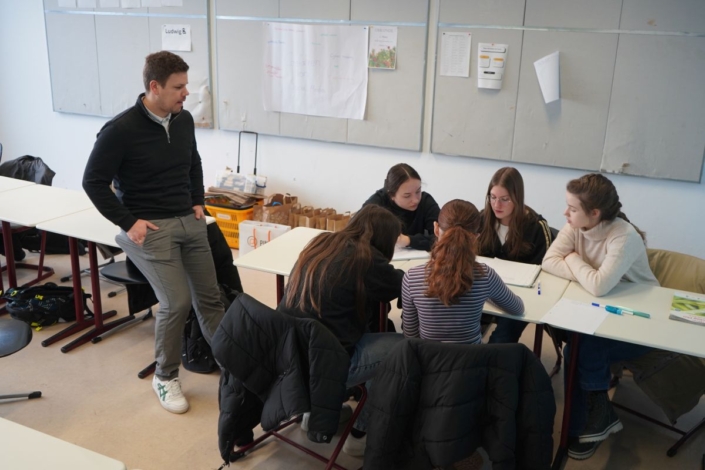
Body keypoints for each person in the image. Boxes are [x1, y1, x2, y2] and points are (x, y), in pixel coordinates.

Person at [83, 51, 224, 414]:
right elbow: (93, 182)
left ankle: (235, 366)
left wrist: (197, 200)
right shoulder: (120, 130)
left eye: (186, 85)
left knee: (210, 299)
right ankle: (165, 376)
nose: (186, 93)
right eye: (178, 87)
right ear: (155, 87)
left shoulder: (184, 119)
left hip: (189, 220)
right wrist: (128, 222)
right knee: (176, 302)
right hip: (151, 228)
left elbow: (193, 161)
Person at [542, 173, 659, 460]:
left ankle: (588, 422)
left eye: (572, 208)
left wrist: (572, 258)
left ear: (594, 213)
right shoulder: (576, 226)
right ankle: (587, 423)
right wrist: (588, 274)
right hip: (605, 312)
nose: (565, 213)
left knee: (581, 346)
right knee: (578, 345)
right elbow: (548, 261)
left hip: (642, 323)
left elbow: (598, 286)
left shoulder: (623, 235)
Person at [277, 204, 405, 457]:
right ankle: (360, 433)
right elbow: (404, 284)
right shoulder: (366, 258)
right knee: (404, 349)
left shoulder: (322, 243)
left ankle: (312, 414)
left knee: (324, 325)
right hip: (324, 366)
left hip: (288, 357)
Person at [402, 199, 524, 344]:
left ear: (436, 229)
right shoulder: (485, 276)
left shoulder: (411, 278)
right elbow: (517, 308)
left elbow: (410, 335)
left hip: (427, 357)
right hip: (472, 357)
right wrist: (487, 294)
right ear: (476, 237)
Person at [477, 167, 553, 344]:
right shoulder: (482, 219)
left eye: (505, 199)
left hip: (519, 298)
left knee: (501, 339)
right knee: (461, 326)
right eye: (492, 197)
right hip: (486, 291)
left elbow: (545, 271)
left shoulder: (536, 226)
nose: (497, 205)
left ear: (517, 198)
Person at [363, 163, 440, 251]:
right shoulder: (376, 204)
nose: (415, 200)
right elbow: (355, 238)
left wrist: (409, 240)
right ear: (391, 195)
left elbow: (445, 238)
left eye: (418, 191)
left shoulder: (426, 201)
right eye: (407, 196)